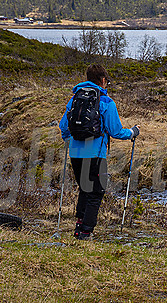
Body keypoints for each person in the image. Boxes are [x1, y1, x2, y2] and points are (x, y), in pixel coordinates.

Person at [60, 64, 140, 240]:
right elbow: (116, 131)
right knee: (96, 192)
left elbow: (63, 127)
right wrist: (133, 132)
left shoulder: (74, 99)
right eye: (107, 82)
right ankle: (86, 232)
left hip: (75, 153)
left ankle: (79, 227)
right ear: (103, 80)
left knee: (84, 189)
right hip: (96, 154)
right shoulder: (106, 102)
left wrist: (69, 139)